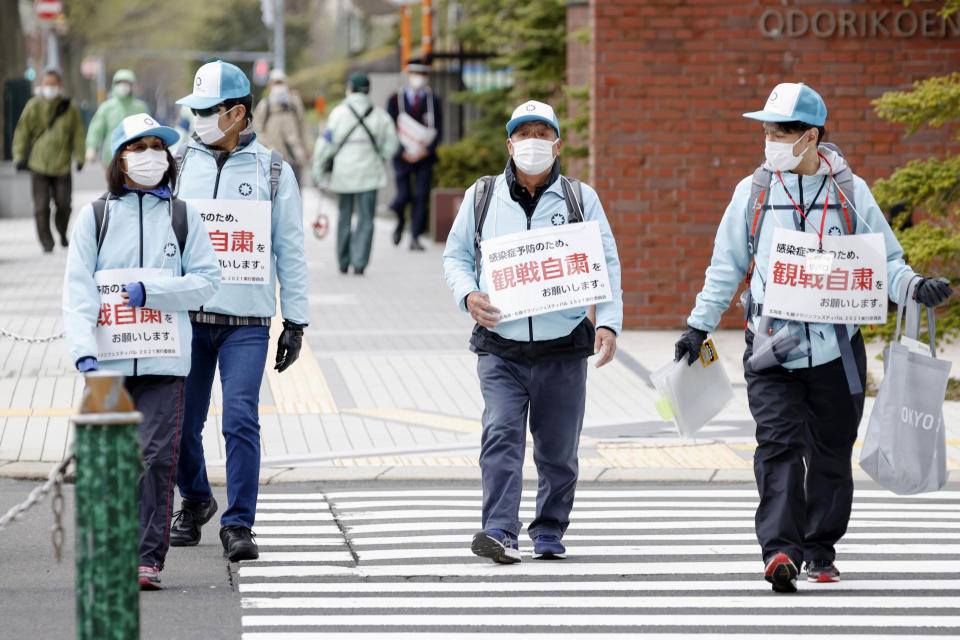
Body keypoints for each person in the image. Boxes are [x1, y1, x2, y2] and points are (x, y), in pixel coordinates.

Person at [675, 82, 954, 593]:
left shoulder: (850, 192)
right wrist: (699, 326)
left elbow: (887, 262)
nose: (770, 138)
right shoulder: (753, 192)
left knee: (830, 451)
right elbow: (725, 267)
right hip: (770, 349)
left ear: (811, 136)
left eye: (781, 130)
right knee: (778, 445)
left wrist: (915, 286)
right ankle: (780, 549)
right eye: (767, 129)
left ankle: (820, 548)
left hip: (837, 351)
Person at [442, 100, 623, 564]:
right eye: (524, 134)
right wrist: (468, 295)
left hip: (562, 348)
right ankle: (499, 530)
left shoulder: (581, 199)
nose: (533, 143)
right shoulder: (483, 196)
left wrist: (607, 321)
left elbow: (606, 264)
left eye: (542, 134)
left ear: (557, 144)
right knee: (501, 433)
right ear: (509, 143)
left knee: (558, 450)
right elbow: (456, 257)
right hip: (500, 347)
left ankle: (549, 529)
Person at [62, 113, 220, 590]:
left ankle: (146, 558)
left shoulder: (183, 216)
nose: (150, 155)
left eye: (158, 146)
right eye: (139, 147)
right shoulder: (95, 216)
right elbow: (77, 290)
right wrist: (82, 353)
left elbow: (206, 284)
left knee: (154, 458)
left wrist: (151, 293)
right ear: (120, 158)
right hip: (107, 362)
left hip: (164, 360)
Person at [171, 61, 310, 562]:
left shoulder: (273, 171)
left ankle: (239, 524)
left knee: (240, 419)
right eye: (196, 110)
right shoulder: (179, 163)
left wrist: (295, 321)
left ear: (237, 113)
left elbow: (290, 249)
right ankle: (196, 499)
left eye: (209, 111)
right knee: (181, 424)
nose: (200, 119)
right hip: (188, 318)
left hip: (246, 324)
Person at [312, 72, 399, 275]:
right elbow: (392, 143)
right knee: (366, 219)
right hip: (370, 174)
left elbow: (325, 144)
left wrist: (318, 171)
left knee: (344, 216)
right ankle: (359, 262)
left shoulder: (338, 113)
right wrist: (381, 156)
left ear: (350, 89)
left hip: (344, 175)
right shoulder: (379, 115)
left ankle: (343, 261)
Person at [12, 68, 86, 252]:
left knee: (64, 204)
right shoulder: (33, 106)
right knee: (41, 206)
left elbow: (77, 134)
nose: (49, 88)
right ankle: (47, 241)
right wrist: (19, 156)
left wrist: (80, 156)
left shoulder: (69, 108)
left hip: (62, 165)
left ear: (60, 86)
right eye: (46, 84)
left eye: (53, 84)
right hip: (38, 165)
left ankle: (61, 232)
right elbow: (22, 132)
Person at [387, 59, 442, 251]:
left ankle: (415, 237)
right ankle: (400, 220)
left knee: (420, 196)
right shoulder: (395, 99)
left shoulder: (433, 100)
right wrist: (404, 152)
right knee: (403, 196)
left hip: (424, 157)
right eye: (414, 73)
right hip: (402, 157)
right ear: (407, 74)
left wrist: (425, 151)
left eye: (422, 74)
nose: (417, 78)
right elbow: (390, 129)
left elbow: (438, 130)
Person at [252, 69, 310, 182]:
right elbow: (257, 129)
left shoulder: (294, 104)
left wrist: (306, 149)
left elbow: (303, 127)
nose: (279, 86)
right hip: (273, 157)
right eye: (275, 83)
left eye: (281, 83)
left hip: (295, 156)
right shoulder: (265, 105)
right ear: (270, 86)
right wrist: (267, 147)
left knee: (295, 189)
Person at [85, 70, 151, 165]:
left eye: (126, 83)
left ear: (132, 85)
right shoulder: (107, 107)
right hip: (111, 157)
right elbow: (96, 129)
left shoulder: (141, 107)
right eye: (120, 83)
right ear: (114, 85)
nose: (123, 86)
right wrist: (91, 147)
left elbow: (149, 131)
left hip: (136, 157)